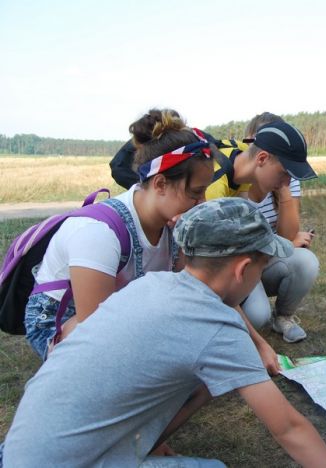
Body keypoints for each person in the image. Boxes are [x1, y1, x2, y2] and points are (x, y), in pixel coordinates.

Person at [0, 198, 326, 467]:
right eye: (262, 267)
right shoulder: (216, 328)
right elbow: (290, 429)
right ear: (242, 269)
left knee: (203, 381)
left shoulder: (151, 284)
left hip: (26, 448)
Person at [24, 109, 214, 359]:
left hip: (123, 312)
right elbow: (96, 330)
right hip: (67, 324)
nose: (203, 203)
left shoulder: (172, 224)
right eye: (195, 193)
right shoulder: (98, 233)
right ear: (160, 184)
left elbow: (193, 288)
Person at [241, 113, 319, 343]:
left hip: (262, 259)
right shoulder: (238, 179)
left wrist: (283, 190)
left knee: (305, 261)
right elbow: (238, 249)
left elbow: (288, 235)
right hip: (241, 263)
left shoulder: (284, 175)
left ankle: (283, 317)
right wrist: (281, 245)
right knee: (257, 315)